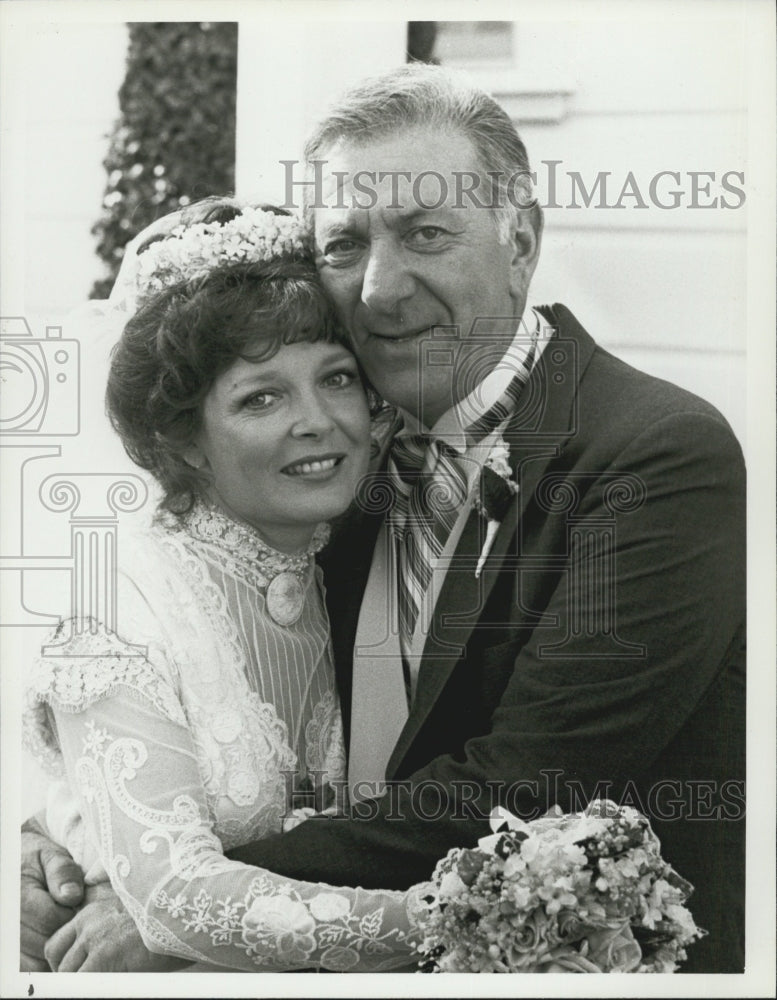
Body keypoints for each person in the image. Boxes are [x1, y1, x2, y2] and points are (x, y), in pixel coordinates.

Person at [22, 64, 745, 974]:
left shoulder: (654, 452)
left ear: (520, 237)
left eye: (425, 233)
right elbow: (192, 694)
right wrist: (69, 845)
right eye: (343, 244)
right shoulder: (329, 458)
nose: (378, 289)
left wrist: (175, 904)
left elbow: (529, 780)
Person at [21, 200, 423, 972]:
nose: (318, 422)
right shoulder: (117, 608)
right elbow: (174, 894)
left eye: (335, 379)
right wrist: (462, 914)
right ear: (181, 440)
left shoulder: (337, 559)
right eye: (260, 397)